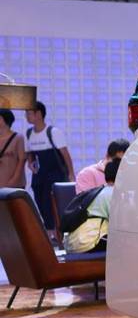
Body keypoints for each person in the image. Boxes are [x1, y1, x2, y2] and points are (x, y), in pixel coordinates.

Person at [24, 101, 73, 236]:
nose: (27, 117)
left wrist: (71, 174)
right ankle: (49, 231)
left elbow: (65, 154)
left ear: (39, 114)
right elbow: (29, 153)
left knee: (49, 203)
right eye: (26, 114)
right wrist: (30, 163)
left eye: (29, 113)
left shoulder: (53, 132)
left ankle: (56, 232)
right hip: (40, 174)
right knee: (39, 201)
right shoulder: (29, 133)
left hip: (55, 173)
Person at [64, 157, 118, 254]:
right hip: (90, 242)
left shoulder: (98, 190)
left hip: (74, 242)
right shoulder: (113, 193)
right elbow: (119, 223)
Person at [0, 109, 25, 189]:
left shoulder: (18, 138)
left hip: (14, 185)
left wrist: (13, 180)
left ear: (6, 120)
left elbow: (22, 160)